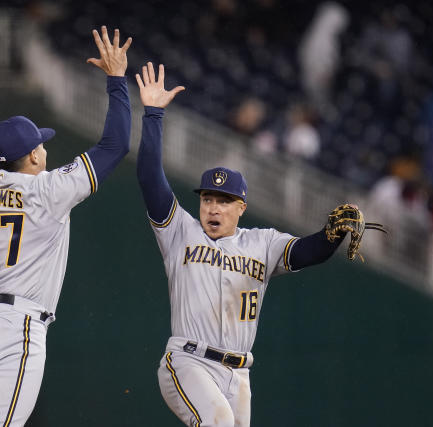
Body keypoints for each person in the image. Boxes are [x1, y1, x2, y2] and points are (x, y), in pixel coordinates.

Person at [135, 62, 353, 426]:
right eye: (207, 199)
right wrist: (154, 114)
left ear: (241, 207)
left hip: (239, 374)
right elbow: (148, 177)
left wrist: (332, 234)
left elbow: (309, 252)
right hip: (189, 361)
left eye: (222, 201)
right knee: (217, 420)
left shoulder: (263, 243)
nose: (212, 208)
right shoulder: (179, 231)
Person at [0, 26, 132, 426]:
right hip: (14, 330)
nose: (45, 147)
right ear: (32, 156)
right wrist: (116, 79)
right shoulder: (49, 190)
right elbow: (114, 145)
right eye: (40, 144)